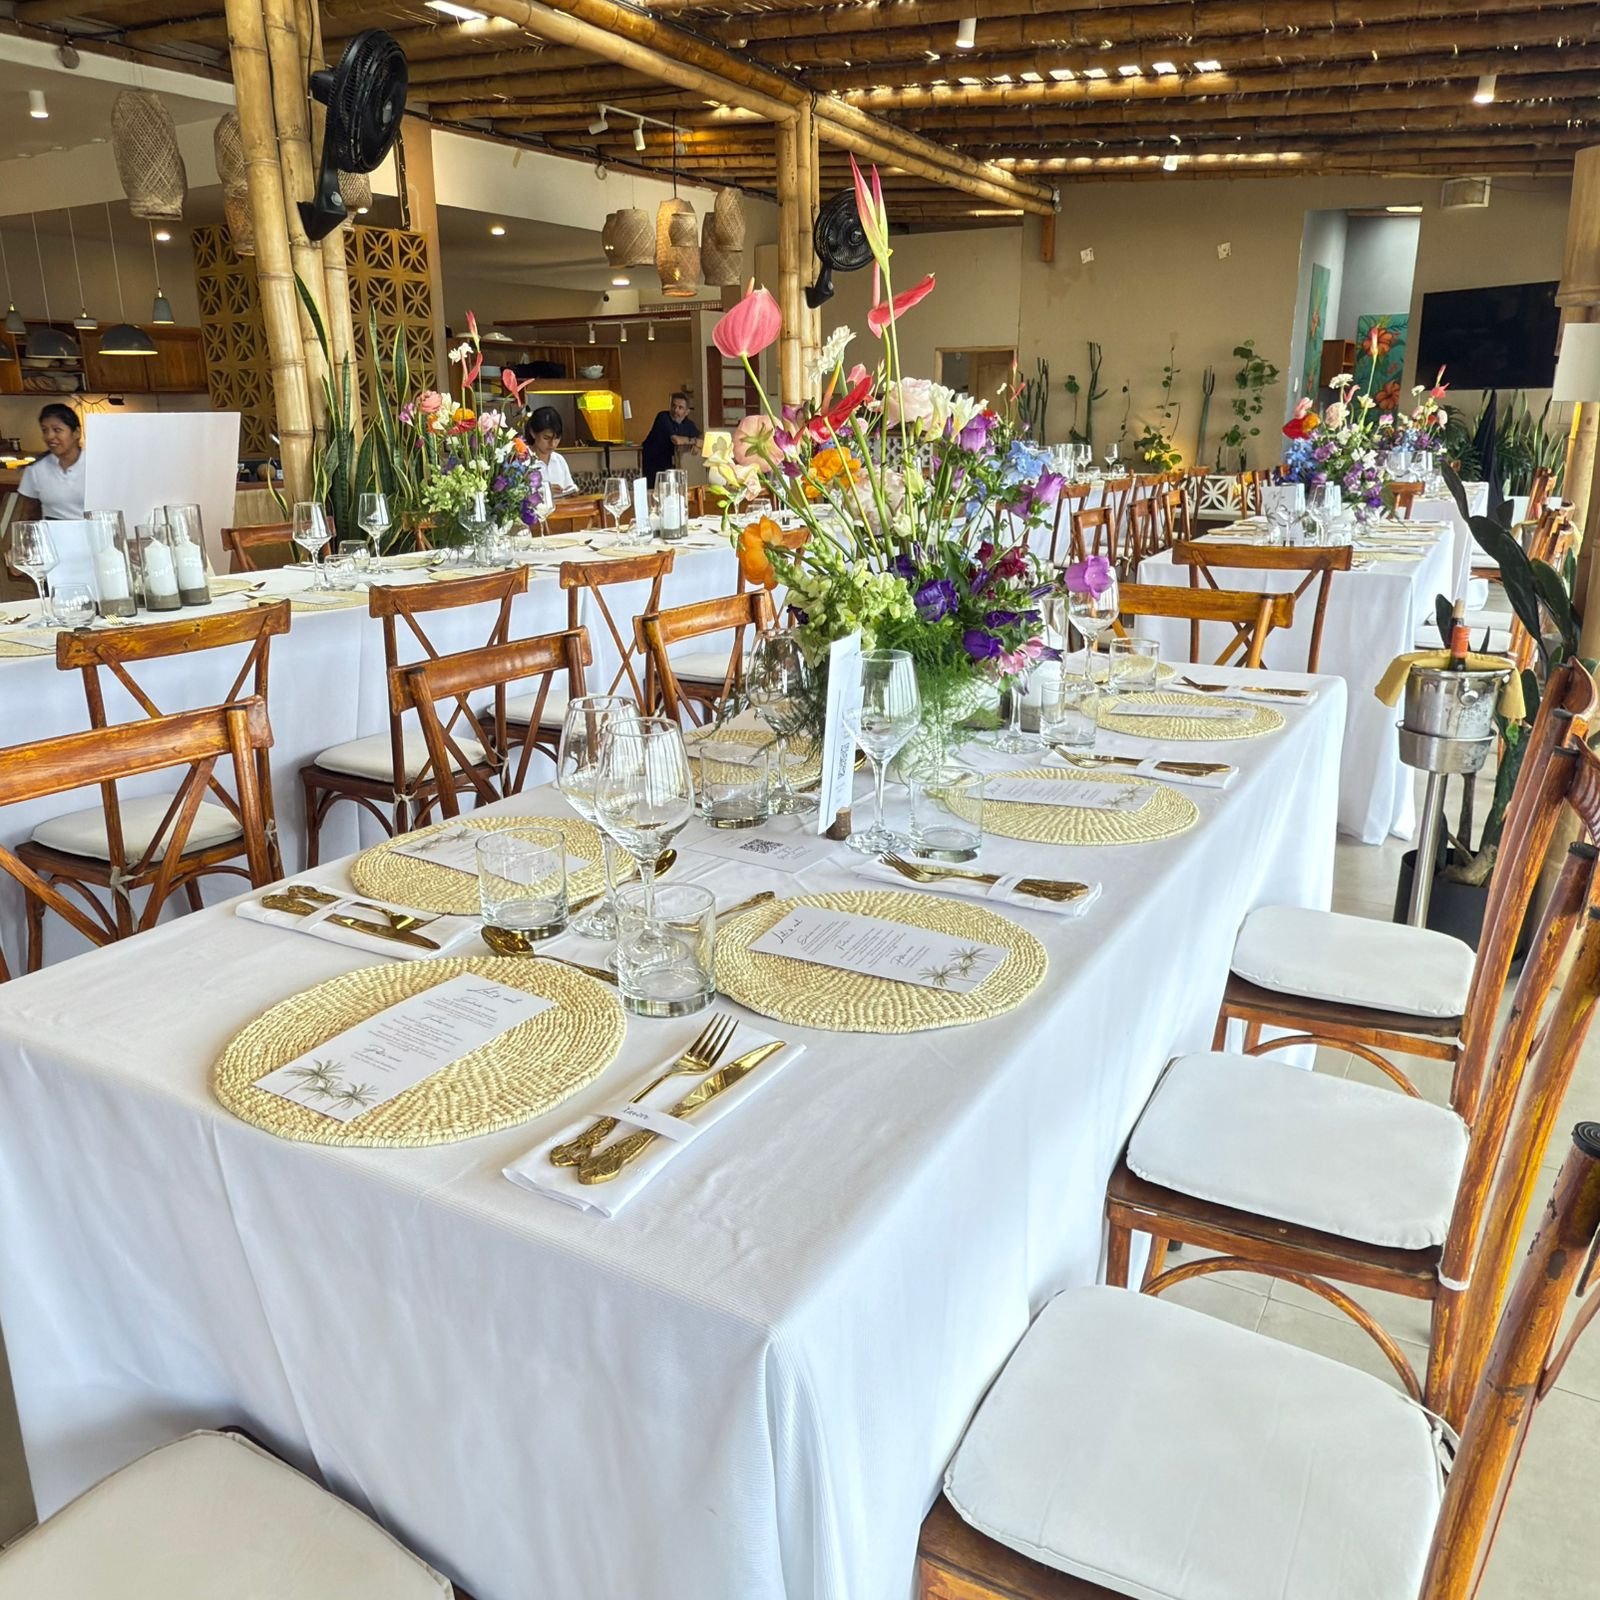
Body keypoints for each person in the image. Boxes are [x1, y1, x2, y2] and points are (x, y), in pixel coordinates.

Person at [15, 403, 85, 521]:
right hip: (51, 531)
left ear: (76, 433)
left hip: (92, 530)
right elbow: (25, 514)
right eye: (45, 430)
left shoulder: (96, 464)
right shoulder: (35, 469)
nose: (50, 436)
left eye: (57, 430)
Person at [640, 391, 701, 485]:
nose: (675, 410)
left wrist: (696, 445)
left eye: (680, 408)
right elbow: (676, 440)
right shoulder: (663, 417)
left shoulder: (689, 424)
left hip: (670, 467)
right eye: (673, 406)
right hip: (651, 465)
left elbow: (702, 440)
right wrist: (694, 441)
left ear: (687, 412)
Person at [521, 405, 578, 498]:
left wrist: (572, 491)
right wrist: (544, 491)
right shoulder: (521, 459)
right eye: (546, 438)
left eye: (557, 438)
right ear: (533, 433)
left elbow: (569, 486)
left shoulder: (559, 460)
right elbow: (513, 495)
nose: (552, 444)